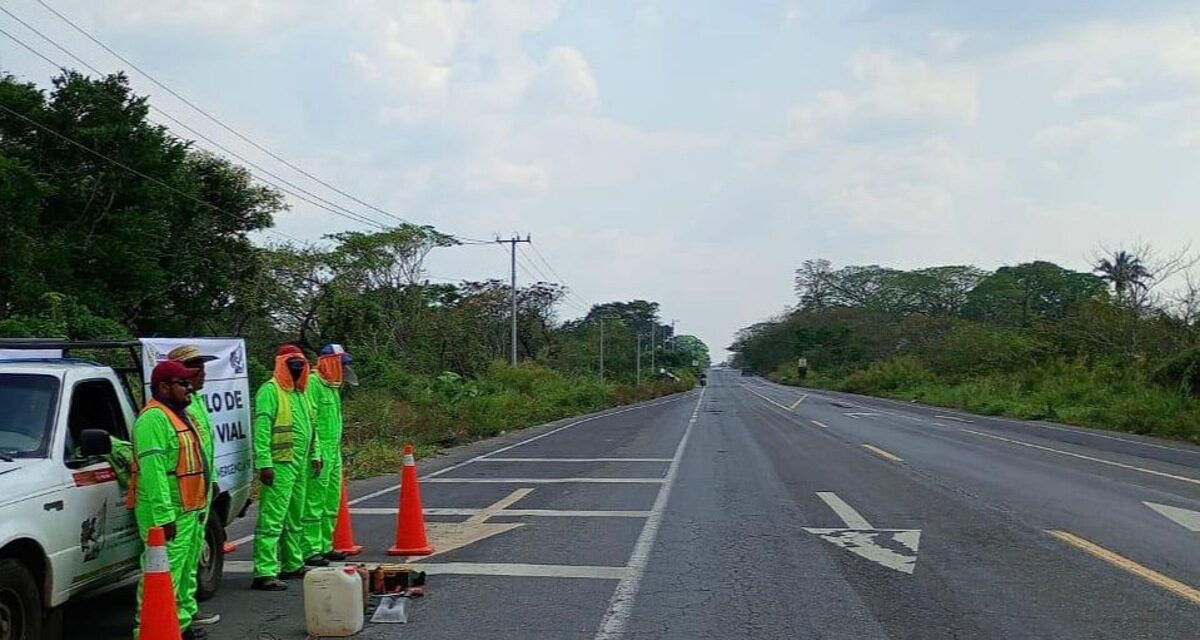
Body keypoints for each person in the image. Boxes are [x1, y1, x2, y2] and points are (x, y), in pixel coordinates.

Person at [128, 360, 210, 640]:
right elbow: (154, 474)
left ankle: (179, 625)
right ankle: (150, 629)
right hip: (168, 511)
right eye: (183, 383)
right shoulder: (153, 419)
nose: (190, 388)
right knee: (163, 573)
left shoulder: (179, 415)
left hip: (188, 507)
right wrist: (164, 516)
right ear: (163, 387)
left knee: (184, 570)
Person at [250, 345, 322, 591]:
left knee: (294, 516)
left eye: (301, 364)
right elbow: (262, 430)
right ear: (282, 364)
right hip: (279, 463)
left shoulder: (302, 393)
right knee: (272, 518)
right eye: (292, 364)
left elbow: (312, 427)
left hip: (300, 463)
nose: (297, 368)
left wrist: (315, 453)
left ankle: (293, 562)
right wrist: (264, 463)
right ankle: (265, 570)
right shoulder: (270, 391)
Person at [167, 345, 222, 627]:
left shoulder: (195, 401)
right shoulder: (169, 411)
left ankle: (185, 612)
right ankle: (166, 619)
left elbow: (202, 448)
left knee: (190, 559)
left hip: (197, 493)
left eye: (202, 367)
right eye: (195, 367)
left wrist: (211, 480)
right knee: (173, 564)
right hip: (178, 500)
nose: (202, 373)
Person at [303, 344, 358, 563]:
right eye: (341, 364)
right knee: (315, 501)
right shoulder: (313, 383)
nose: (344, 369)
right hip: (320, 453)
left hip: (333, 452)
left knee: (331, 501)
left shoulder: (332, 386)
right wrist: (315, 452)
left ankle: (325, 545)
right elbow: (310, 421)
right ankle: (310, 548)